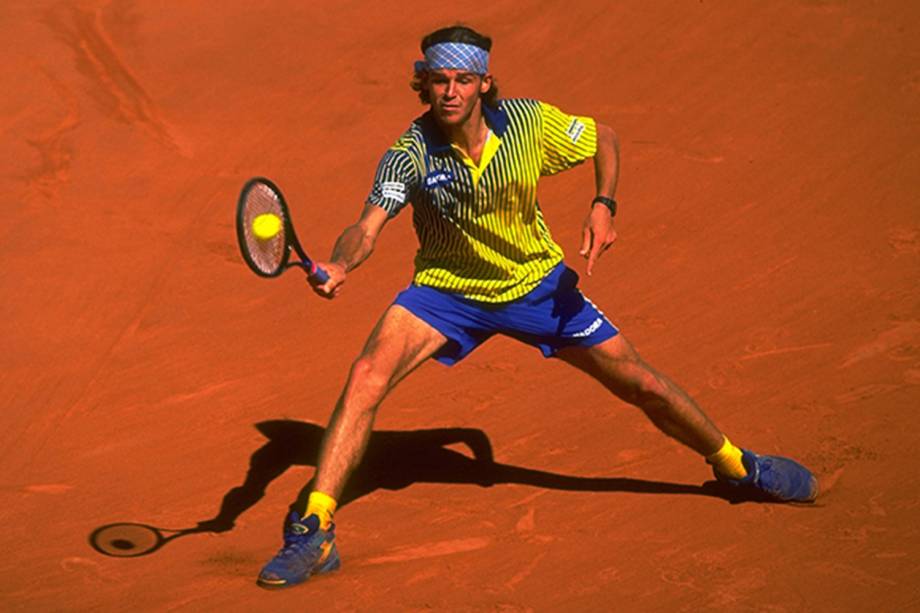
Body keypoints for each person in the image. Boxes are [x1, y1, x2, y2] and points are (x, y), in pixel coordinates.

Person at [255, 25, 818, 590]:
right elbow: (367, 226)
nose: (450, 92)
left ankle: (736, 466)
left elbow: (605, 136)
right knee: (366, 375)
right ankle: (316, 525)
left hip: (537, 288)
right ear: (422, 85)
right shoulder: (409, 155)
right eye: (438, 81)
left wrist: (604, 204)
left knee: (640, 384)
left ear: (484, 84)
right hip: (447, 292)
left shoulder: (528, 124)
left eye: (463, 80)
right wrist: (342, 264)